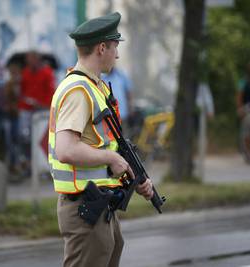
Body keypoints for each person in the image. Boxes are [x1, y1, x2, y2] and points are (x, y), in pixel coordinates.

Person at [48, 12, 154, 267]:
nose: (117, 54)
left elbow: (108, 145)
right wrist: (111, 158)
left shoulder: (96, 87)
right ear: (102, 47)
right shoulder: (78, 91)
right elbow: (66, 149)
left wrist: (135, 177)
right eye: (115, 46)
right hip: (84, 207)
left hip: (99, 204)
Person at [18, 51, 55, 164]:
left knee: (42, 138)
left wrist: (43, 104)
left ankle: (42, 163)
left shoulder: (47, 72)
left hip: (42, 110)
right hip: (27, 109)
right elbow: (22, 91)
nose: (29, 62)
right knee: (24, 136)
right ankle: (29, 161)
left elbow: (51, 91)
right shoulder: (25, 72)